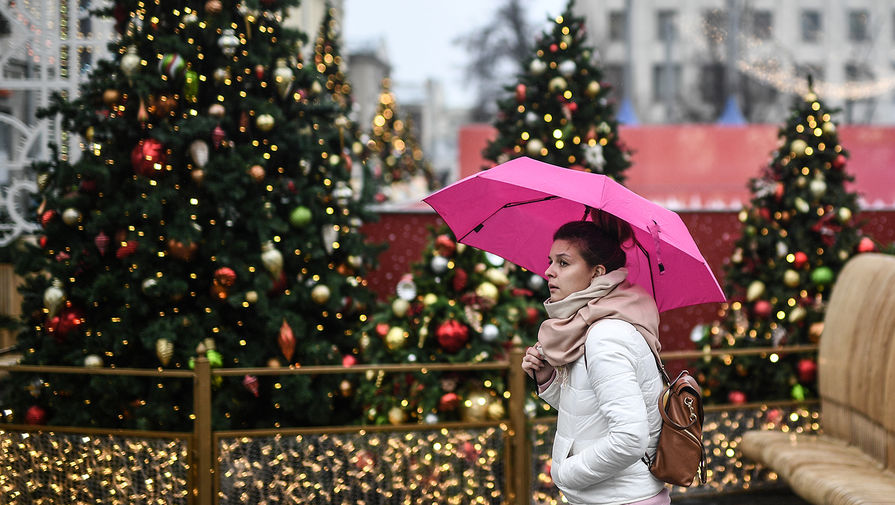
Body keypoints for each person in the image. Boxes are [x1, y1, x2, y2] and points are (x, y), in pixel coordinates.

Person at [520, 214, 670, 505]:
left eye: (563, 263)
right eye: (550, 261)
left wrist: (565, 473)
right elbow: (590, 412)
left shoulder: (606, 334)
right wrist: (548, 378)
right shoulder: (593, 321)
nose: (549, 272)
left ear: (597, 272)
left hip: (619, 499)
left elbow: (630, 438)